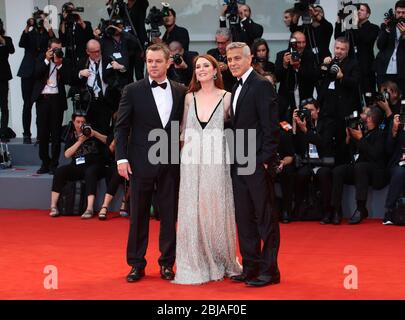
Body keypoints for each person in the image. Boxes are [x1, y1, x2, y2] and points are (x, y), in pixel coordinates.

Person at [115, 43, 187, 283]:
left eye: (158, 61)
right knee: (138, 215)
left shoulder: (180, 90)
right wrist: (121, 159)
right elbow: (122, 126)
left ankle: (167, 263)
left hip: (170, 162)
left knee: (169, 215)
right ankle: (136, 264)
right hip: (139, 162)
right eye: (149, 61)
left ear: (168, 62)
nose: (153, 65)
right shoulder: (132, 90)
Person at [173, 54, 242, 285]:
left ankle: (221, 257)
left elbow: (237, 129)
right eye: (197, 67)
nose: (201, 69)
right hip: (191, 161)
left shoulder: (227, 97)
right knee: (192, 210)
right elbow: (183, 131)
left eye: (206, 66)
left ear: (215, 71)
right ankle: (196, 258)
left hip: (217, 160)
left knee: (214, 208)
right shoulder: (189, 98)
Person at [226, 42, 280, 287]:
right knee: (244, 217)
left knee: (264, 217)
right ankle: (250, 267)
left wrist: (265, 161)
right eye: (229, 59)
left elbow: (270, 128)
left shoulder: (261, 85)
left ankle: (270, 271)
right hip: (238, 161)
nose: (233, 63)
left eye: (237, 58)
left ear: (249, 59)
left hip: (256, 162)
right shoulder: (235, 87)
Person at [49, 112, 107, 219]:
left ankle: (89, 208)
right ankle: (53, 206)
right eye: (78, 122)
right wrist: (80, 141)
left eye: (83, 122)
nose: (80, 124)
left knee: (91, 172)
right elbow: (67, 154)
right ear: (73, 122)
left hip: (95, 165)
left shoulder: (92, 131)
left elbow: (108, 140)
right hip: (77, 166)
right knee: (60, 171)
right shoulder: (71, 135)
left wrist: (94, 134)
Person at [31, 38, 72, 175]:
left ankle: (54, 164)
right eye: (54, 49)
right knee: (42, 133)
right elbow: (35, 74)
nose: (56, 52)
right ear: (48, 48)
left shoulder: (63, 61)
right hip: (43, 99)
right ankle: (45, 162)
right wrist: (47, 60)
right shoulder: (40, 58)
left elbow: (68, 79)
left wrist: (59, 64)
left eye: (59, 49)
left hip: (57, 101)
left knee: (56, 134)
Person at [17, 10, 55, 144]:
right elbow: (21, 43)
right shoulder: (30, 33)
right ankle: (26, 134)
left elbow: (54, 40)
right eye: (38, 19)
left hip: (41, 71)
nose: (40, 21)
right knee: (27, 104)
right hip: (27, 72)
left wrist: (47, 24)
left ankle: (42, 135)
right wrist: (28, 26)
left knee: (41, 104)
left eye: (42, 19)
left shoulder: (46, 33)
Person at [335, 3, 379, 94]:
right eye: (357, 10)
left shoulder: (374, 28)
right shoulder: (351, 27)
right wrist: (339, 20)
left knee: (366, 93)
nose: (358, 11)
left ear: (368, 14)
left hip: (365, 66)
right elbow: (338, 37)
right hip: (351, 66)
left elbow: (365, 39)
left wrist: (354, 23)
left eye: (362, 10)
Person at [376, 0, 405, 94]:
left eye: (403, 13)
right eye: (398, 12)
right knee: (383, 98)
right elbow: (380, 45)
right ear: (395, 12)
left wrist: (404, 35)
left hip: (402, 71)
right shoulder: (386, 26)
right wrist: (387, 29)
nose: (400, 15)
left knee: (401, 100)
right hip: (384, 69)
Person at [383, 113, 405, 224]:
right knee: (400, 172)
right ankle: (389, 212)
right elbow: (388, 150)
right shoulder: (397, 124)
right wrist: (394, 131)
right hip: (397, 164)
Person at [0, 19, 15, 142]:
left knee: (4, 106)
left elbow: (11, 50)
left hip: (3, 76)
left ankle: (3, 132)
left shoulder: (7, 39)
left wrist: (2, 39)